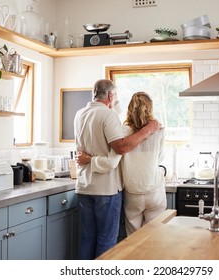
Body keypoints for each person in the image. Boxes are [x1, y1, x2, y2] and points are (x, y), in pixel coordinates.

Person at [73, 79, 161, 260]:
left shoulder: (80, 114)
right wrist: (148, 129)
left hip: (83, 187)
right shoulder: (108, 115)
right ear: (111, 95)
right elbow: (120, 149)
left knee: (87, 239)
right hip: (106, 189)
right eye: (116, 97)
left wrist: (88, 160)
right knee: (106, 241)